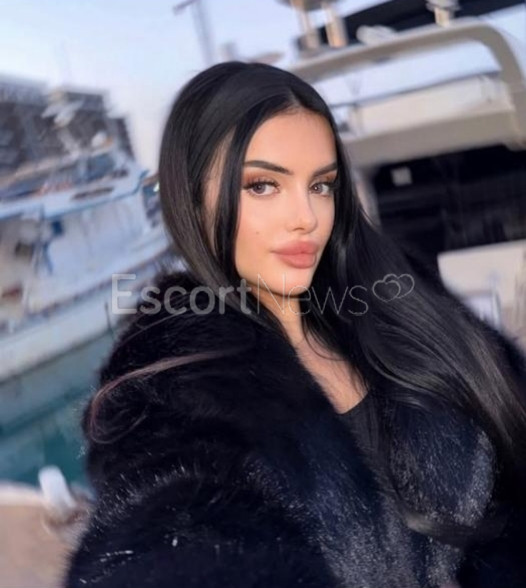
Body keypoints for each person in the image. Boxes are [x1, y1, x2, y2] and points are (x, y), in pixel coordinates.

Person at [62, 61, 526, 588]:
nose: (306, 217)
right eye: (263, 185)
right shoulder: (164, 382)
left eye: (321, 185)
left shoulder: (398, 296)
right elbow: (170, 520)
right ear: (190, 196)